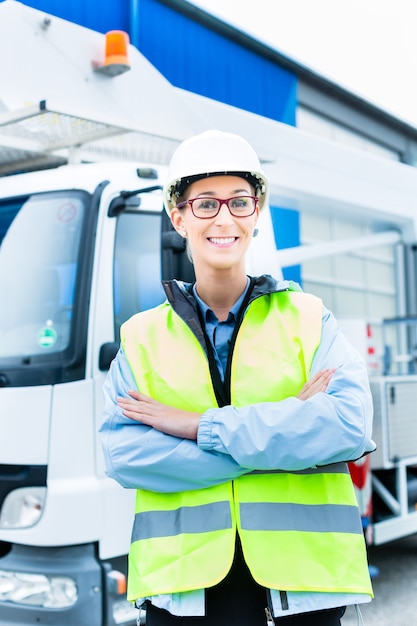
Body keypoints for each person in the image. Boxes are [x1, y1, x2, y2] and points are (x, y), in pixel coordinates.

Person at [99, 129, 375, 626]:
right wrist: (287, 435)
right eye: (205, 204)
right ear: (178, 217)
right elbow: (126, 456)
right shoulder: (140, 337)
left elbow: (348, 427)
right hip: (185, 587)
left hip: (306, 583)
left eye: (239, 202)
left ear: (257, 214)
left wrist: (197, 427)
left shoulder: (310, 318)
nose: (224, 218)